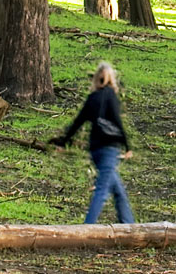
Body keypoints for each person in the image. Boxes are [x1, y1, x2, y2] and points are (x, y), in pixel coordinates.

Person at [56, 62, 134, 224]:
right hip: (110, 148)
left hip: (96, 149)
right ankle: (87, 227)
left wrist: (63, 142)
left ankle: (129, 225)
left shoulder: (92, 98)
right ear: (112, 79)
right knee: (102, 190)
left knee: (118, 191)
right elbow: (117, 121)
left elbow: (78, 122)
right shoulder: (111, 96)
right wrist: (127, 146)